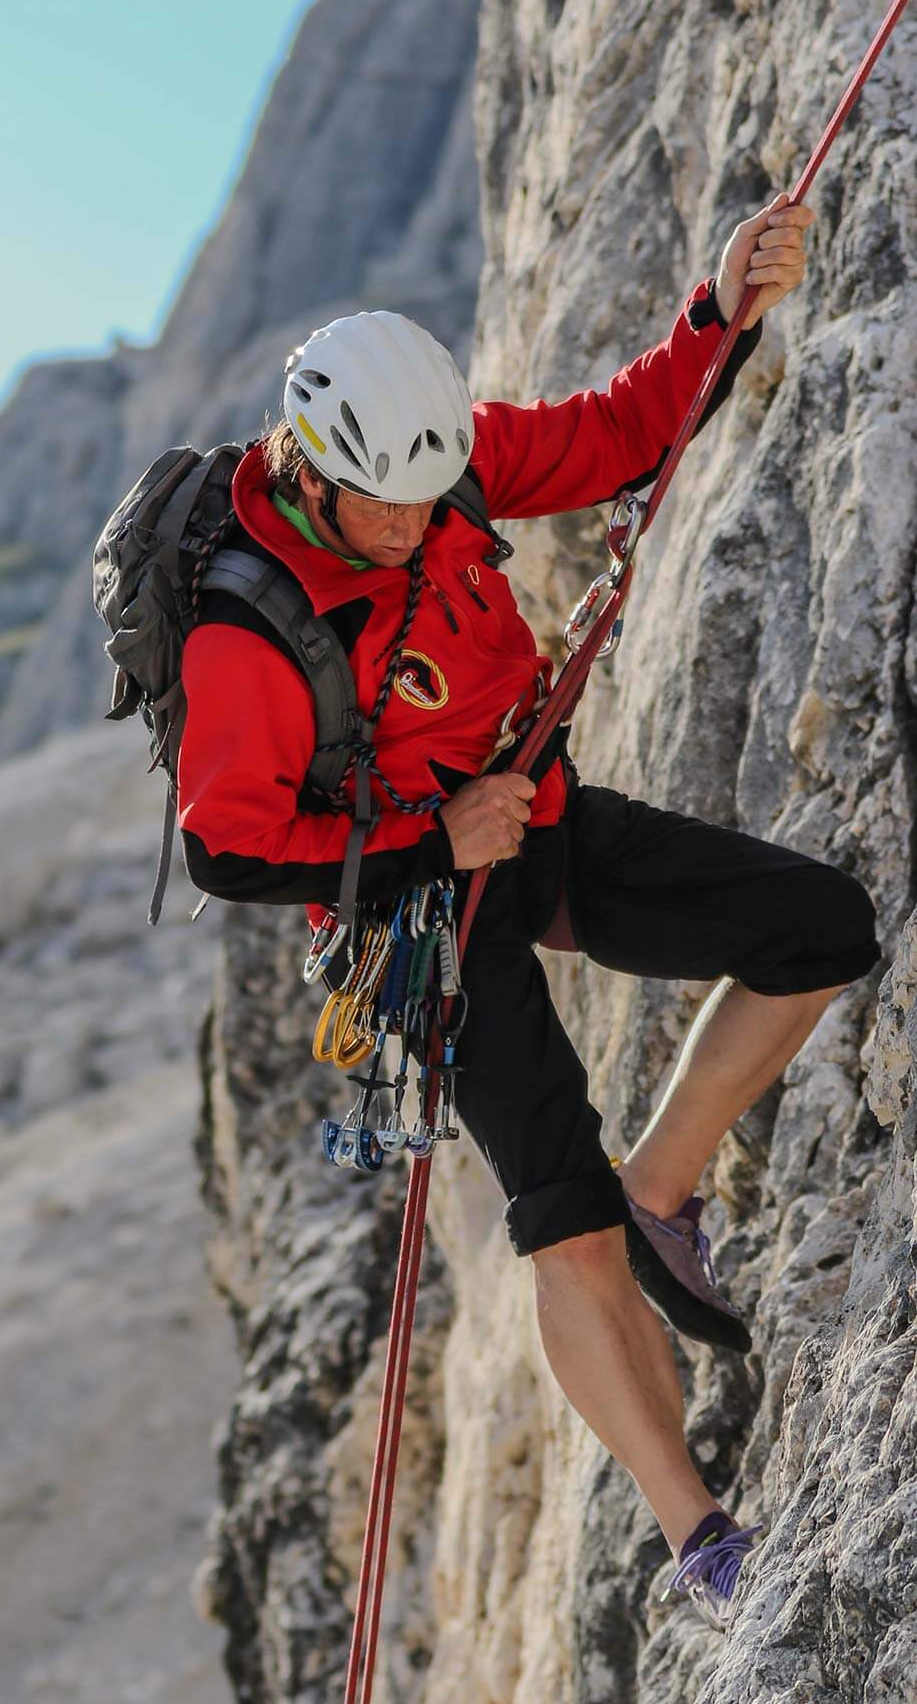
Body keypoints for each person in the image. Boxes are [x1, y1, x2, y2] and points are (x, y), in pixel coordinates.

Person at [175, 194, 880, 1627]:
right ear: (310, 466)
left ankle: (665, 1190)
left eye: (430, 498)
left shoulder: (437, 464)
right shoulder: (244, 624)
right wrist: (433, 833)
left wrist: (720, 308)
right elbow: (232, 851)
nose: (412, 524)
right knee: (561, 1222)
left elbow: (619, 436)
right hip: (410, 919)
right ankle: (704, 1543)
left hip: (531, 815)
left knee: (820, 928)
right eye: (381, 507)